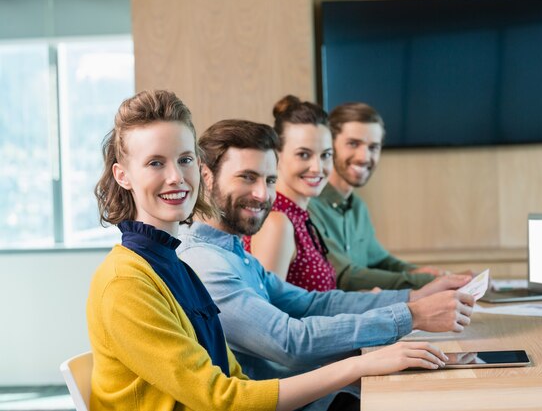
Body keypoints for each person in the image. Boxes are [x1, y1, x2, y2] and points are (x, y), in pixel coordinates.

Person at [87, 90, 450, 411]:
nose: (176, 177)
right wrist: (363, 362)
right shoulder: (128, 281)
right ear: (123, 175)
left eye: (184, 160)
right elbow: (225, 398)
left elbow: (242, 378)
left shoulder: (175, 264)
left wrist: (389, 341)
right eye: (155, 162)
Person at [177, 118, 475, 410]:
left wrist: (415, 299)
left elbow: (311, 303)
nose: (262, 194)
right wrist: (411, 316)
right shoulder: (205, 263)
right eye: (247, 177)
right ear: (205, 175)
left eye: (269, 180)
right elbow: (289, 343)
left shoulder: (232, 252)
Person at [308, 102, 467, 291]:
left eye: (373, 147)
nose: (364, 157)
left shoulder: (357, 207)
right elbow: (345, 276)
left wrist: (429, 273)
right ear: (329, 144)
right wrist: (428, 282)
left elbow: (380, 260)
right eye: (353, 144)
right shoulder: (310, 206)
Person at [244, 95, 336, 291]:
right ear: (277, 154)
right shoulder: (276, 222)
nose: (317, 168)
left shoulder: (298, 216)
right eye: (304, 154)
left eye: (326, 155)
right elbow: (268, 315)